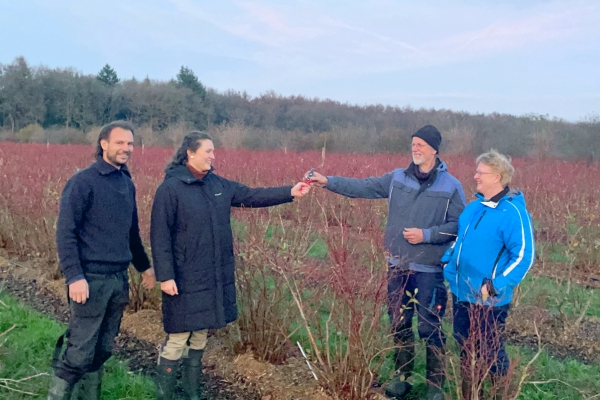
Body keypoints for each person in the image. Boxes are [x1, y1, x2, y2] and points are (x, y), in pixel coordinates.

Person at [308, 125, 466, 400]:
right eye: (413, 144)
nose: (415, 149)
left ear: (434, 149)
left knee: (429, 326)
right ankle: (402, 378)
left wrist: (427, 235)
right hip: (397, 266)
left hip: (429, 269)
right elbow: (364, 186)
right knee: (399, 322)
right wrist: (328, 181)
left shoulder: (451, 186)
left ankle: (434, 387)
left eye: (420, 144)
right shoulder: (396, 179)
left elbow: (458, 225)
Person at [150, 131, 310, 400]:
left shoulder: (218, 185)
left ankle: (192, 393)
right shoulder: (171, 189)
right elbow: (159, 235)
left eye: (213, 151)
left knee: (200, 336)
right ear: (190, 152)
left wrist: (290, 192)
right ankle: (163, 394)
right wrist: (165, 276)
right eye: (208, 151)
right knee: (178, 337)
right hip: (183, 277)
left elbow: (252, 195)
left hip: (211, 275)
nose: (213, 156)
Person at [47, 121, 156, 400]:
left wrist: (144, 268)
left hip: (118, 280)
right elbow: (65, 232)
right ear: (103, 144)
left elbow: (131, 233)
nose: (126, 149)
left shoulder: (125, 183)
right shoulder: (83, 182)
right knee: (80, 351)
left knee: (103, 348)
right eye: (119, 142)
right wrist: (74, 276)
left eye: (130, 144)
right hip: (90, 280)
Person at [443, 150, 535, 400]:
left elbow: (524, 256)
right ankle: (471, 395)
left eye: (480, 172)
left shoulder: (513, 213)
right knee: (464, 349)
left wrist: (495, 286)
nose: (475, 176)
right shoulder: (474, 208)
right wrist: (448, 265)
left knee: (491, 354)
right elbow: (459, 242)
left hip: (488, 299)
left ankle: (498, 395)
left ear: (497, 176)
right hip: (461, 292)